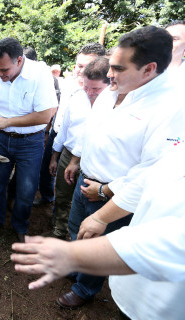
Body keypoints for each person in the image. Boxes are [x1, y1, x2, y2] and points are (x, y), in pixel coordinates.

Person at [58, 26, 185, 309]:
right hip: (86, 180)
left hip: (113, 197)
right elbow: (92, 130)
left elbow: (153, 172)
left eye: (118, 67)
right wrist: (77, 160)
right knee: (76, 227)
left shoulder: (170, 106)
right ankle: (77, 268)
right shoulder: (113, 90)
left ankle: (85, 288)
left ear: (149, 69)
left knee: (98, 240)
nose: (109, 73)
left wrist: (105, 196)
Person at [11, 143, 185, 320]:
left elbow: (164, 243)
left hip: (165, 306)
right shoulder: (178, 152)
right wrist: (100, 217)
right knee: (77, 228)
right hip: (134, 289)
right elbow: (143, 180)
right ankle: (80, 271)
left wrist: (73, 255)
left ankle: (85, 288)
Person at [0, 38, 57, 242]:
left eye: (4, 70)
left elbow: (45, 115)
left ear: (19, 60)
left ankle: (20, 226)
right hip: (2, 140)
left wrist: (8, 122)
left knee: (26, 189)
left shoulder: (40, 76)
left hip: (30, 143)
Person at [46, 57, 110, 239]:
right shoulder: (76, 98)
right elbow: (64, 131)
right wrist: (54, 157)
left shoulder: (115, 105)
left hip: (95, 160)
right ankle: (59, 231)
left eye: (95, 89)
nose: (89, 92)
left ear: (109, 82)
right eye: (86, 87)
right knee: (62, 196)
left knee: (85, 201)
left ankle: (80, 238)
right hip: (69, 154)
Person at [35, 43, 105, 207]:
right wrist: (48, 133)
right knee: (47, 170)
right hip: (58, 135)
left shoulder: (104, 94)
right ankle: (48, 198)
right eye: (80, 65)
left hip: (82, 146)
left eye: (88, 66)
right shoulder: (67, 85)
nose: (83, 70)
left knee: (75, 182)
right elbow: (57, 111)